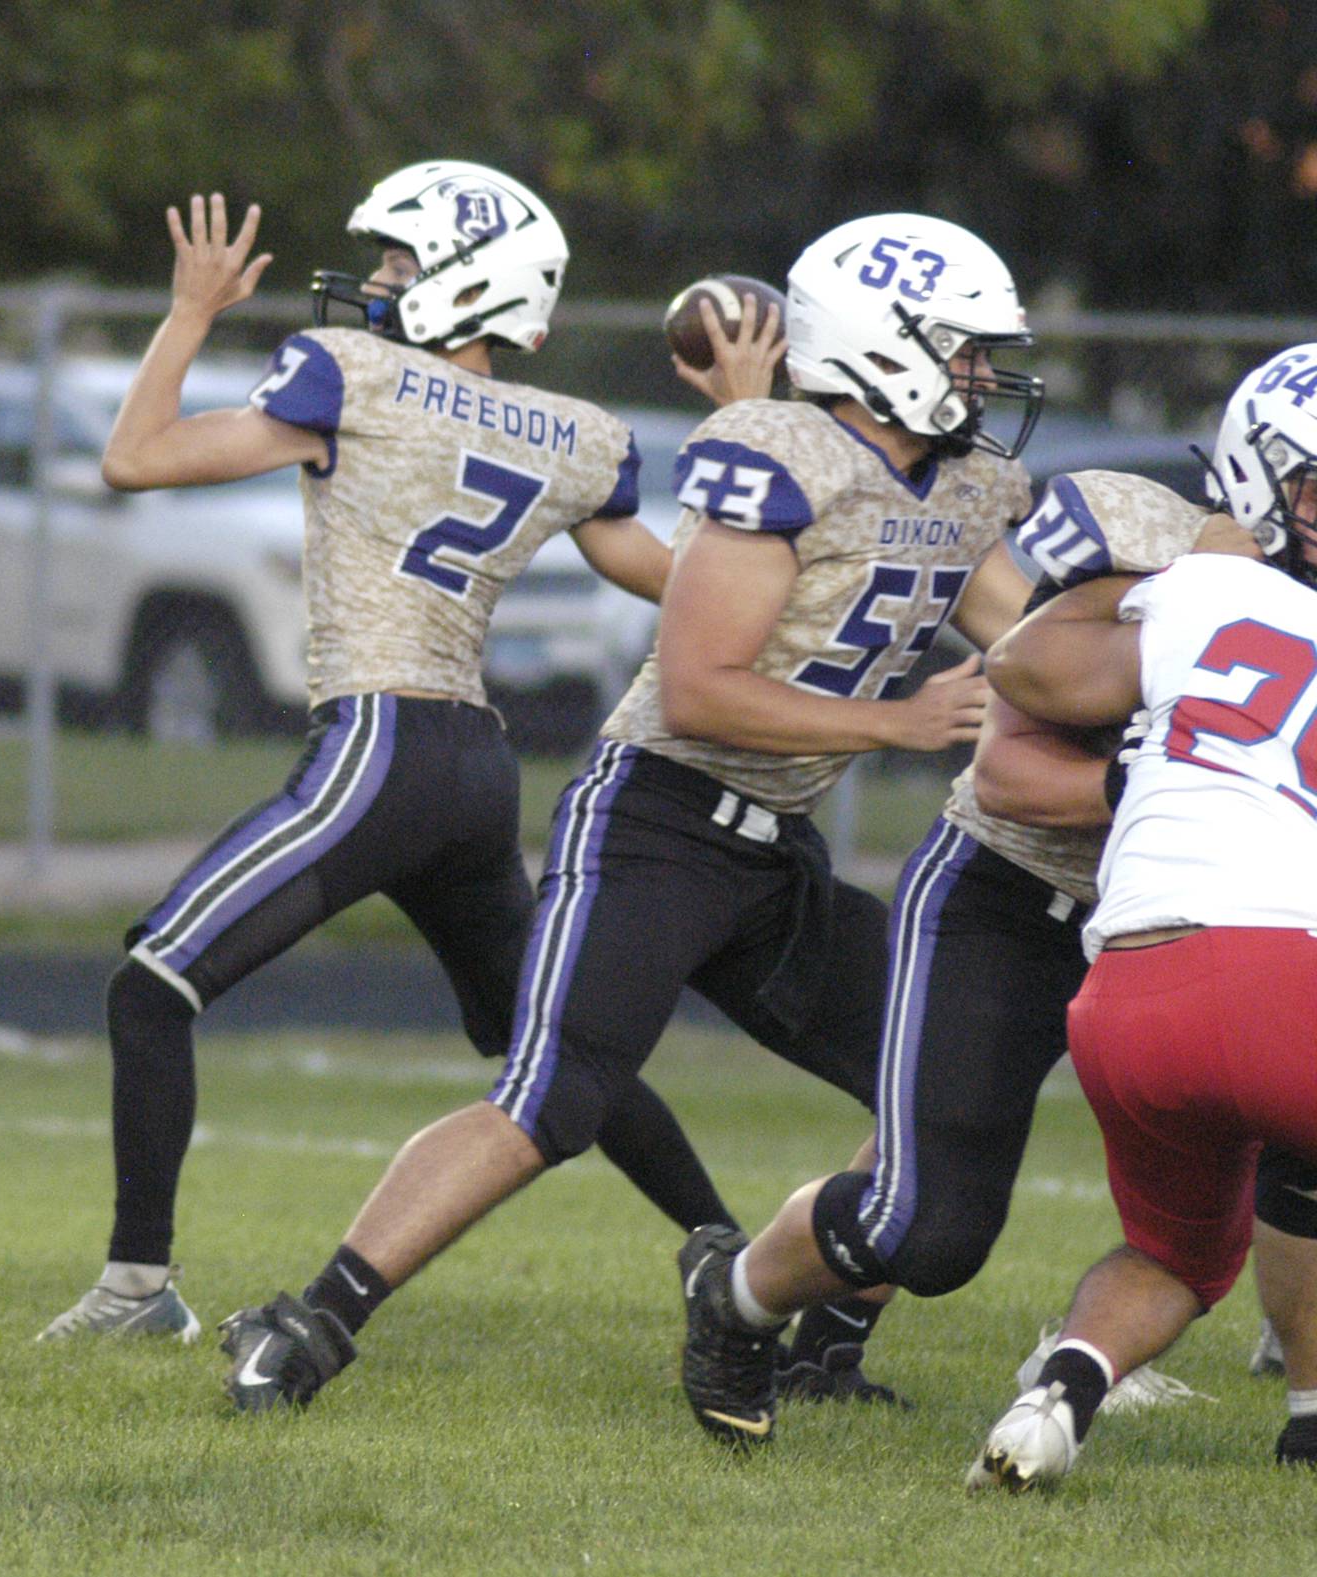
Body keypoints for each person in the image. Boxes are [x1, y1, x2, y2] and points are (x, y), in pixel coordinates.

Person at [216, 212, 1045, 1418]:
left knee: (943, 1074)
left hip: (777, 856)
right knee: (553, 1101)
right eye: (966, 349)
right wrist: (897, 723)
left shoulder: (968, 483)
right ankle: (309, 1324)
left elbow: (1027, 640)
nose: (985, 376)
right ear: (886, 346)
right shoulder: (781, 459)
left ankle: (817, 1344)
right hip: (657, 821)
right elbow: (703, 685)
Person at [38, 160, 748, 1343]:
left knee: (151, 985)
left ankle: (135, 1289)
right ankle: (720, 1245)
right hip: (475, 763)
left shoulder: (354, 376)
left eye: (401, 262)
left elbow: (136, 458)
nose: (376, 281)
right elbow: (679, 581)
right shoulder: (574, 431)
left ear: (467, 283)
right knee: (545, 1042)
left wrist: (189, 314)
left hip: (379, 742)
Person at [965, 344, 1317, 1488]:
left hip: (1127, 989)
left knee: (1176, 1251)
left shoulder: (1207, 591)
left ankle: (1061, 1390)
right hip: (1288, 974)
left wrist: (1149, 576)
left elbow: (1026, 665)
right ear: (1262, 478)